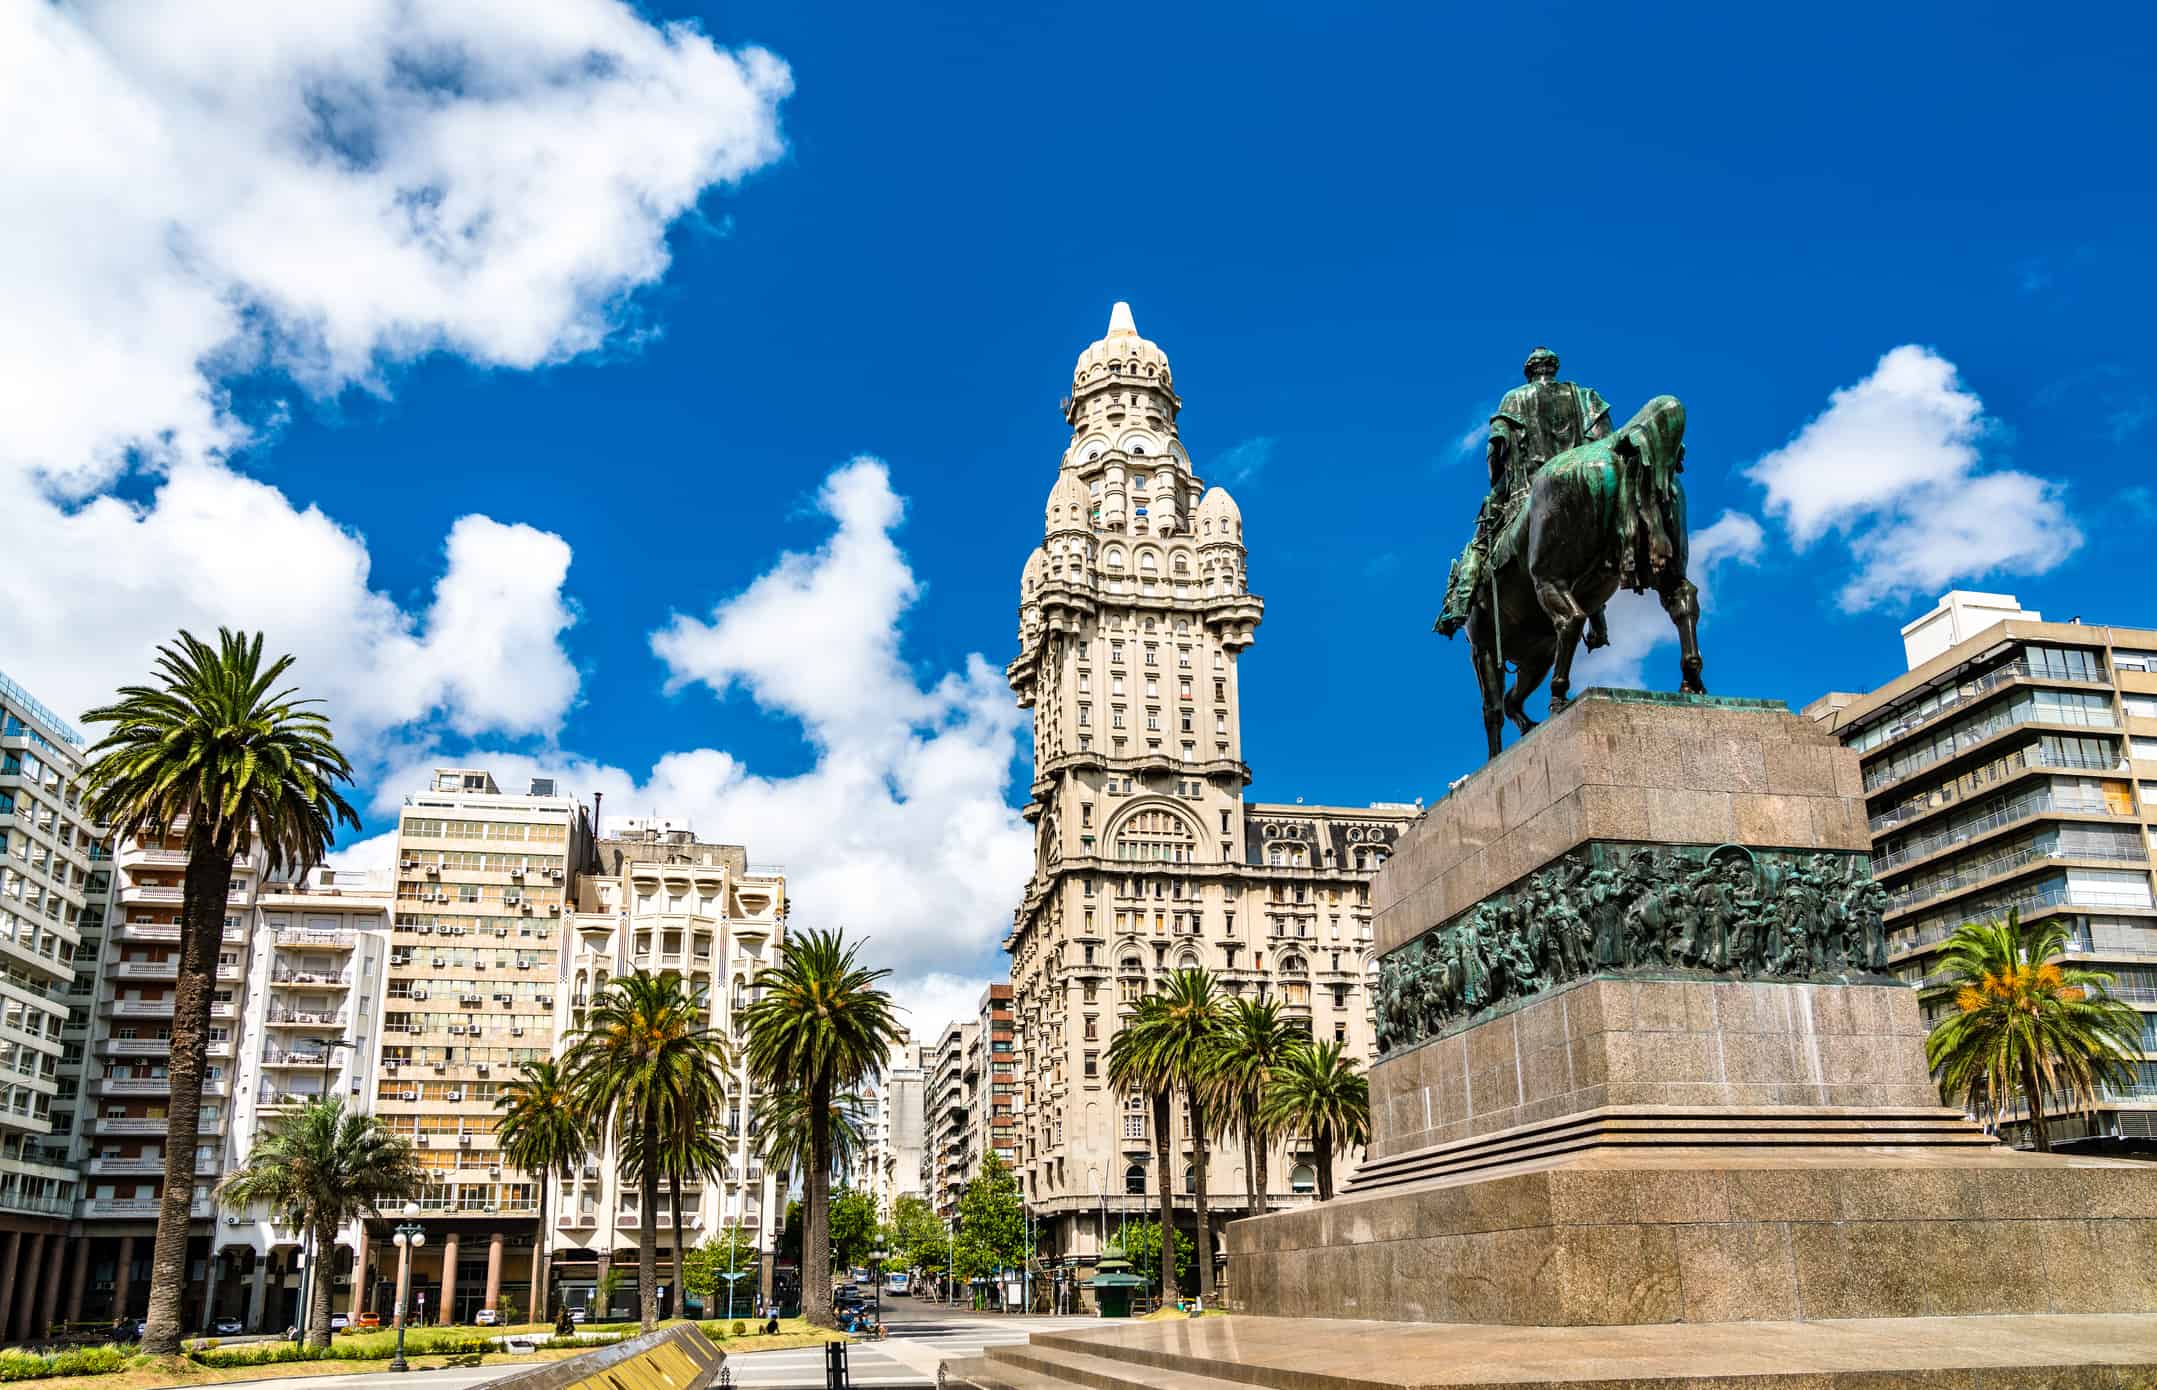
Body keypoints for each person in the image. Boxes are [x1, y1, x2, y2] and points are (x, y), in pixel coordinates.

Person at [1436, 346, 1614, 640]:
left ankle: (1457, 607)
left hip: (1525, 493)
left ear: (1530, 371)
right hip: (1583, 490)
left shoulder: (1514, 399)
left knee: (1478, 547)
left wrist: (1498, 486)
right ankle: (1598, 620)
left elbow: (1497, 447)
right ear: (1553, 368)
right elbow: (1602, 440)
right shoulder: (1584, 397)